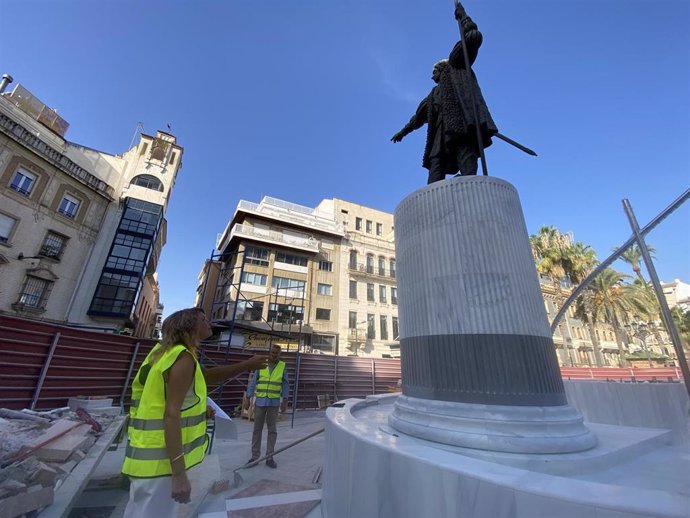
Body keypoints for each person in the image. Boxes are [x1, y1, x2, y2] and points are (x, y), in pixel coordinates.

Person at [121, 307, 267, 518]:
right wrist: (179, 474)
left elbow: (194, 382)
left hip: (148, 455)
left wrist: (200, 411)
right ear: (188, 325)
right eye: (203, 319)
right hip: (162, 462)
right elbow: (171, 414)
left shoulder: (162, 353)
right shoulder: (183, 358)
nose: (209, 322)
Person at [391, 3, 498, 184]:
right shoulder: (432, 95)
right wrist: (402, 132)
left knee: (465, 153)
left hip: (460, 124)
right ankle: (433, 199)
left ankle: (469, 182)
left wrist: (463, 17)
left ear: (441, 68)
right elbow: (417, 118)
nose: (431, 76)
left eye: (434, 71)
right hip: (439, 133)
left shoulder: (456, 66)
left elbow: (473, 36)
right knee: (435, 162)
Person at [245, 344, 289, 468]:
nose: (274, 355)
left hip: (274, 403)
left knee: (272, 430)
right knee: (257, 429)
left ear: (279, 355)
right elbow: (253, 382)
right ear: (269, 353)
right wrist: (248, 398)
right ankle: (255, 457)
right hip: (260, 402)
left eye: (276, 353)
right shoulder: (261, 364)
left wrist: (285, 400)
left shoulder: (282, 366)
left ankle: (269, 457)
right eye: (272, 352)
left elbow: (285, 384)